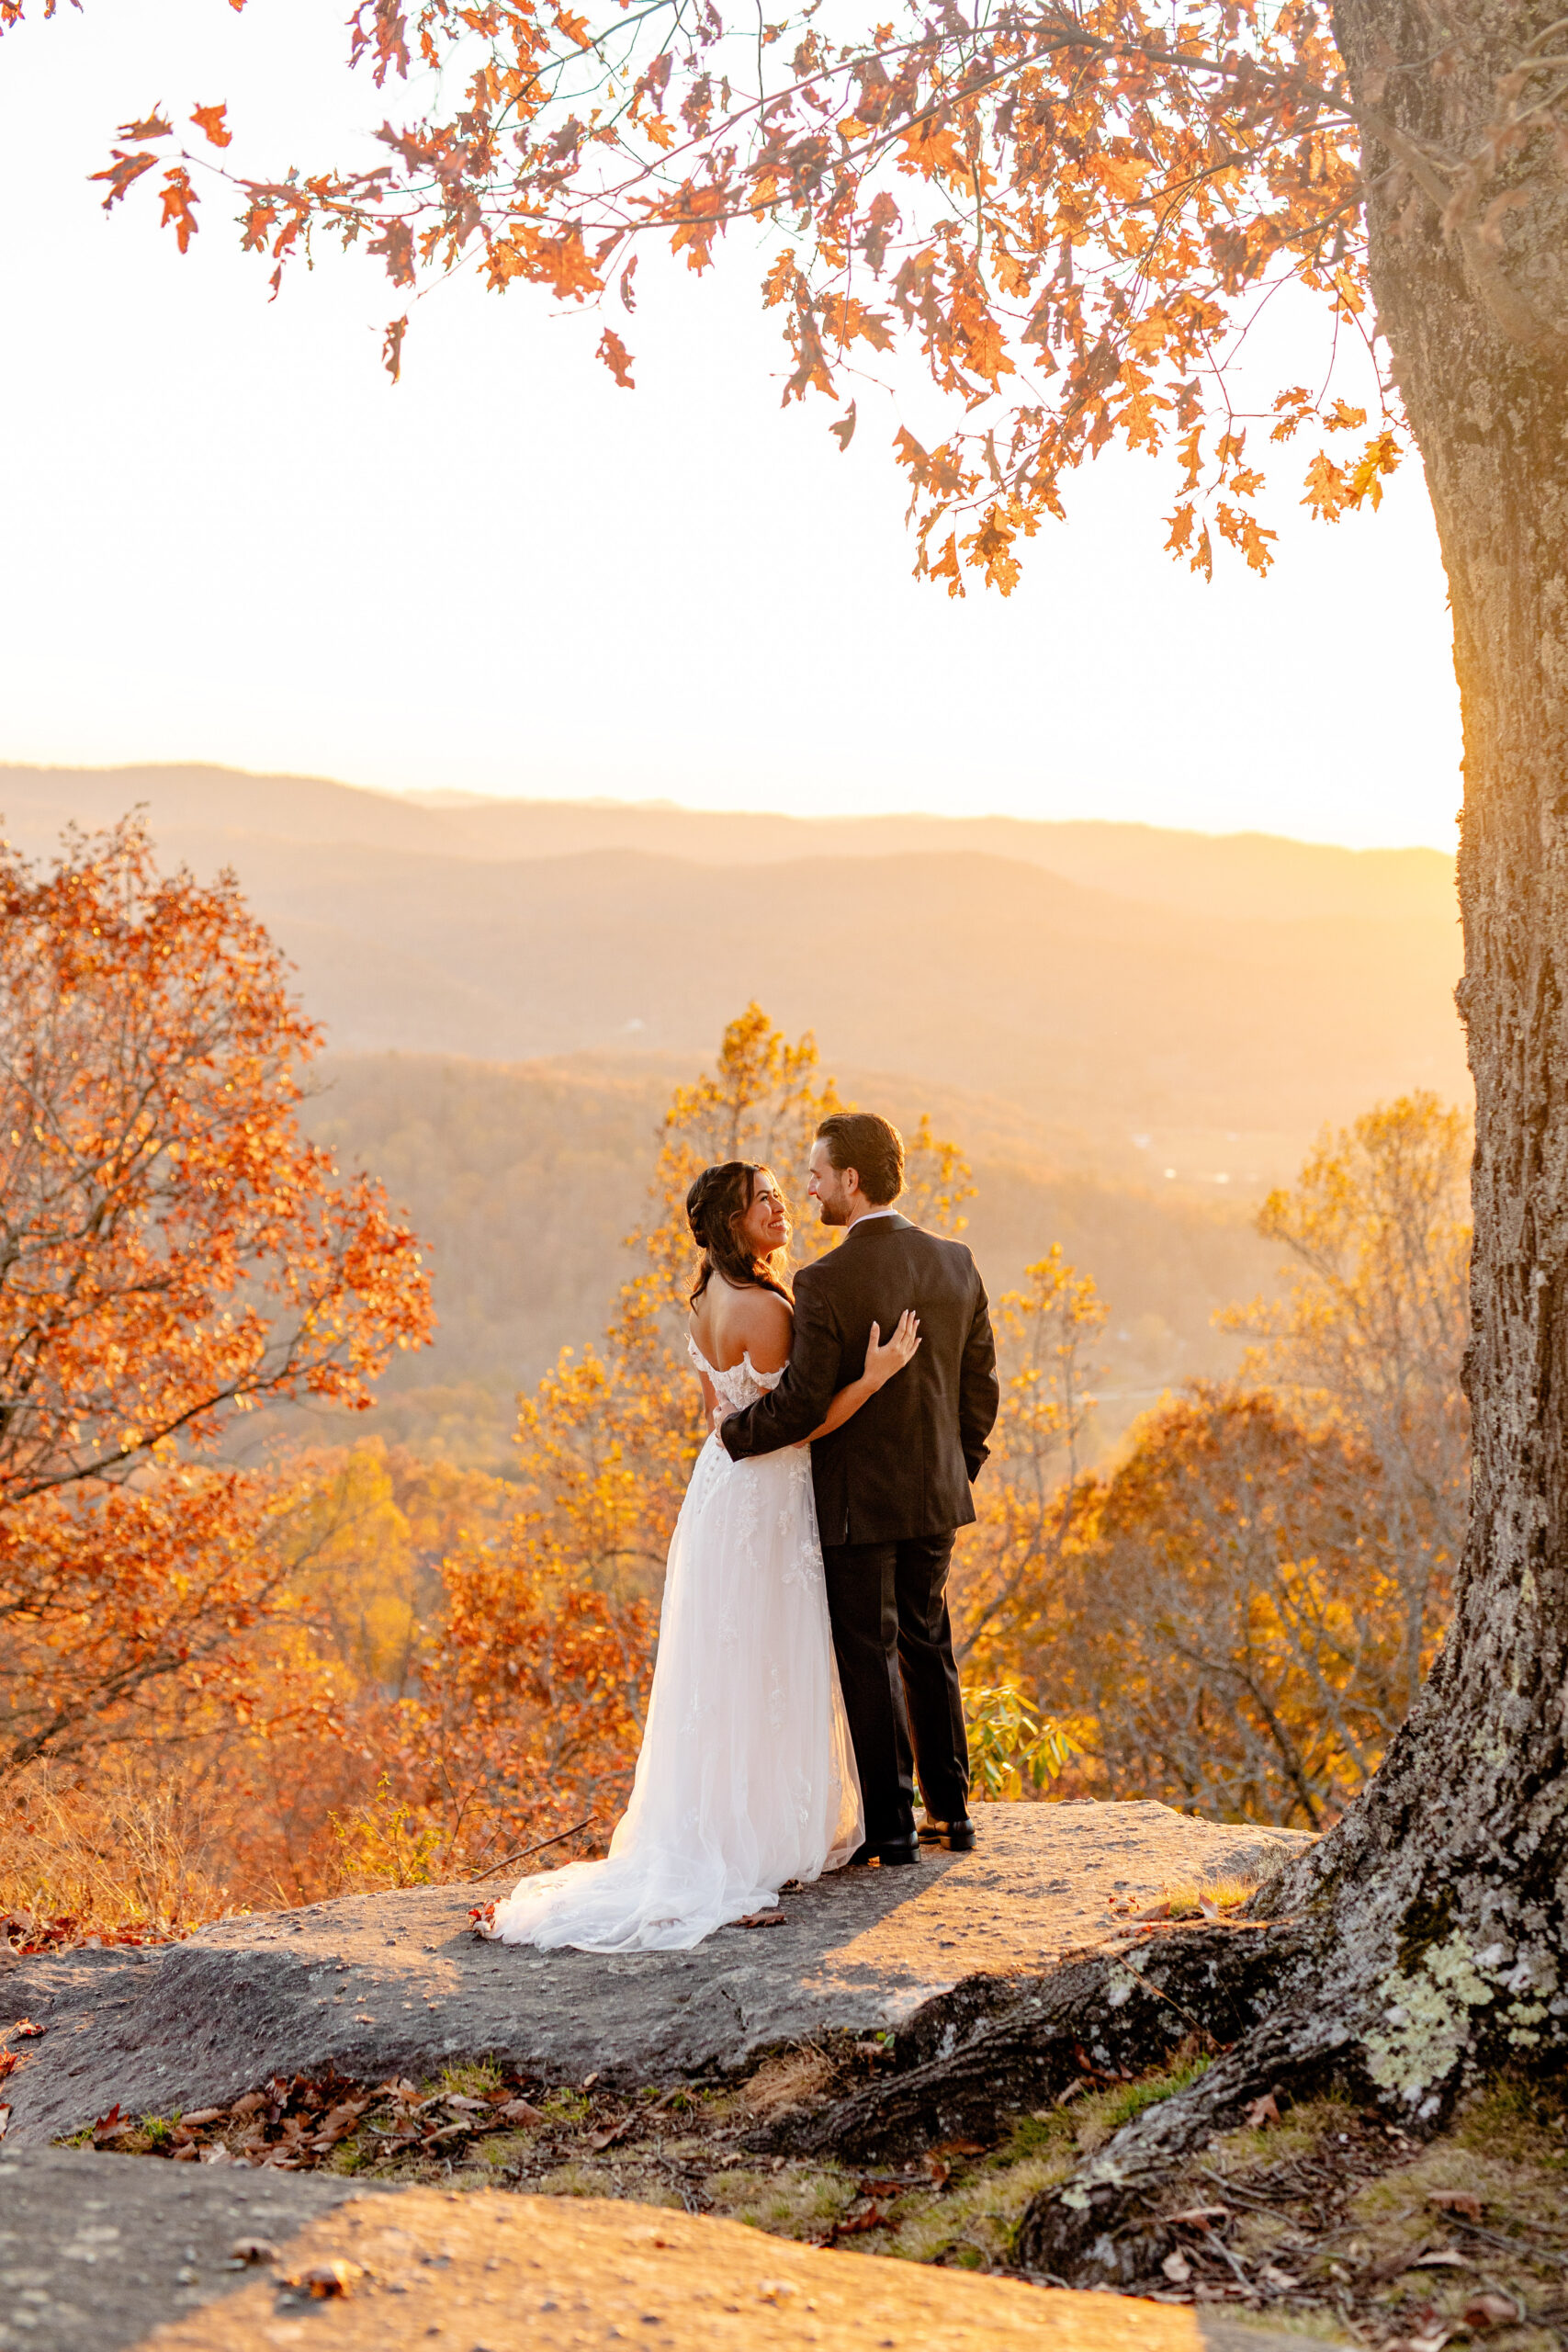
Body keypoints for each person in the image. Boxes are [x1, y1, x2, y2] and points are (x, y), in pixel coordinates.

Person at [487, 1159, 921, 1953]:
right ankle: (766, 1830)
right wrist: (875, 1375)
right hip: (768, 1488)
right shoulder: (766, 1308)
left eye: (781, 1195)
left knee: (726, 1663)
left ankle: (732, 1815)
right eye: (764, 1202)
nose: (781, 1206)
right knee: (772, 1653)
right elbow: (802, 1420)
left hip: (719, 1488)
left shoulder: (703, 1304)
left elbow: (717, 1415)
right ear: (733, 1224)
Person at [720, 1112, 999, 1866]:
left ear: (851, 1180)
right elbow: (981, 1390)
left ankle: (892, 1828)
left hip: (855, 1503)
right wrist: (954, 1468)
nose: (806, 1187)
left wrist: (732, 1435)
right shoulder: (955, 1262)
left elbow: (805, 1401)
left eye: (815, 1174)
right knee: (927, 1643)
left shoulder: (825, 1281)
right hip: (936, 1495)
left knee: (868, 1656)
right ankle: (952, 1814)